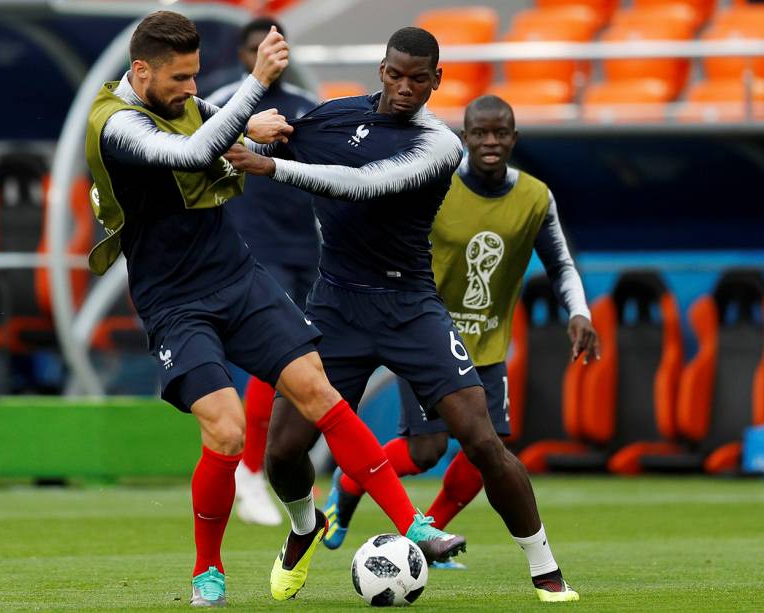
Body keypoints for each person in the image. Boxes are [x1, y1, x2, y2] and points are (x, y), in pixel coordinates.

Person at [84, 12, 464, 608]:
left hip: (236, 274)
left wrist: (258, 128)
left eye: (194, 77)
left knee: (321, 392)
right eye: (182, 78)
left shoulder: (183, 100)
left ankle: (412, 524)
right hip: (174, 300)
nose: (191, 89)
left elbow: (225, 133)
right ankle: (207, 568)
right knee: (229, 432)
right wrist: (255, 82)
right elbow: (194, 154)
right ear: (141, 71)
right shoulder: (116, 125)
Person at [225, 30, 581, 603]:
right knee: (283, 452)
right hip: (336, 306)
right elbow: (268, 139)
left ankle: (545, 568)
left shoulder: (439, 144)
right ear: (382, 69)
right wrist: (252, 130)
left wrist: (271, 169)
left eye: (420, 78)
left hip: (410, 306)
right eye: (397, 74)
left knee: (481, 439)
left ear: (436, 80)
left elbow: (365, 186)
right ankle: (302, 529)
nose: (406, 87)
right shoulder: (333, 118)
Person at [322, 95, 600, 574]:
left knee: (485, 453)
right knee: (425, 451)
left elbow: (561, 262)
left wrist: (579, 312)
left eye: (500, 133)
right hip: (427, 336)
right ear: (465, 137)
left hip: (487, 346)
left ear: (513, 138)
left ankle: (431, 533)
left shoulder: (535, 197)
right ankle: (347, 488)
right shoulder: (436, 184)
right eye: (480, 133)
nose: (490, 142)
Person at [207, 17, 321, 528]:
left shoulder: (306, 107)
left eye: (274, 46)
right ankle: (250, 471)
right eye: (257, 48)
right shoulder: (223, 103)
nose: (267, 55)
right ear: (242, 54)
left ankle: (281, 466)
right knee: (276, 362)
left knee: (306, 364)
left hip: (308, 250)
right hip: (252, 251)